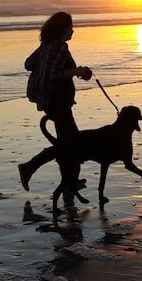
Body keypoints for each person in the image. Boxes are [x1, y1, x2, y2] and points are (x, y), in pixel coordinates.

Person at [18, 12, 93, 195]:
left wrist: (76, 72)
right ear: (63, 29)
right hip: (58, 102)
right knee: (69, 145)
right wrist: (76, 70)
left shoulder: (46, 46)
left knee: (68, 145)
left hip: (52, 101)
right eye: (70, 27)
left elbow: (28, 64)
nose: (73, 31)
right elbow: (54, 74)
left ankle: (69, 182)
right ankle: (29, 167)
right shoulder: (59, 47)